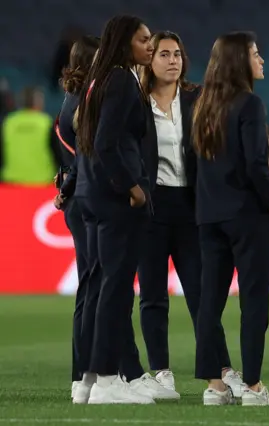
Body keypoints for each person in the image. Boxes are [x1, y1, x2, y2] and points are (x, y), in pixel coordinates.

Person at [73, 15, 176, 404]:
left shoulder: (101, 78)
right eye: (144, 39)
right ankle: (107, 380)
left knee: (102, 286)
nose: (150, 45)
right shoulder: (119, 79)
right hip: (116, 199)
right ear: (123, 42)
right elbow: (106, 142)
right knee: (115, 290)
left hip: (95, 195)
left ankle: (87, 380)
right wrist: (132, 187)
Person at [193, 31, 269, 407]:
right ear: (239, 61)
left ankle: (215, 388)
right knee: (252, 303)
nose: (261, 59)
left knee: (209, 303)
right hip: (247, 216)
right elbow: (254, 164)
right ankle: (252, 386)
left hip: (209, 216)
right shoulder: (249, 104)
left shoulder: (202, 105)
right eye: (255, 53)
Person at [137, 30, 201, 393]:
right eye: (164, 54)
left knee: (200, 292)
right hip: (153, 204)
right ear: (150, 60)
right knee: (153, 295)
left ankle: (218, 369)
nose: (173, 60)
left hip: (191, 204)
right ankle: (161, 372)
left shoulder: (196, 97)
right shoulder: (136, 100)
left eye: (177, 54)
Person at [51, 35, 100, 401]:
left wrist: (65, 187)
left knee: (90, 287)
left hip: (75, 197)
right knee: (95, 287)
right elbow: (85, 157)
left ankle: (83, 373)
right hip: (88, 198)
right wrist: (69, 186)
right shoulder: (85, 102)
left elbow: (71, 158)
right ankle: (88, 374)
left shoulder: (68, 101)